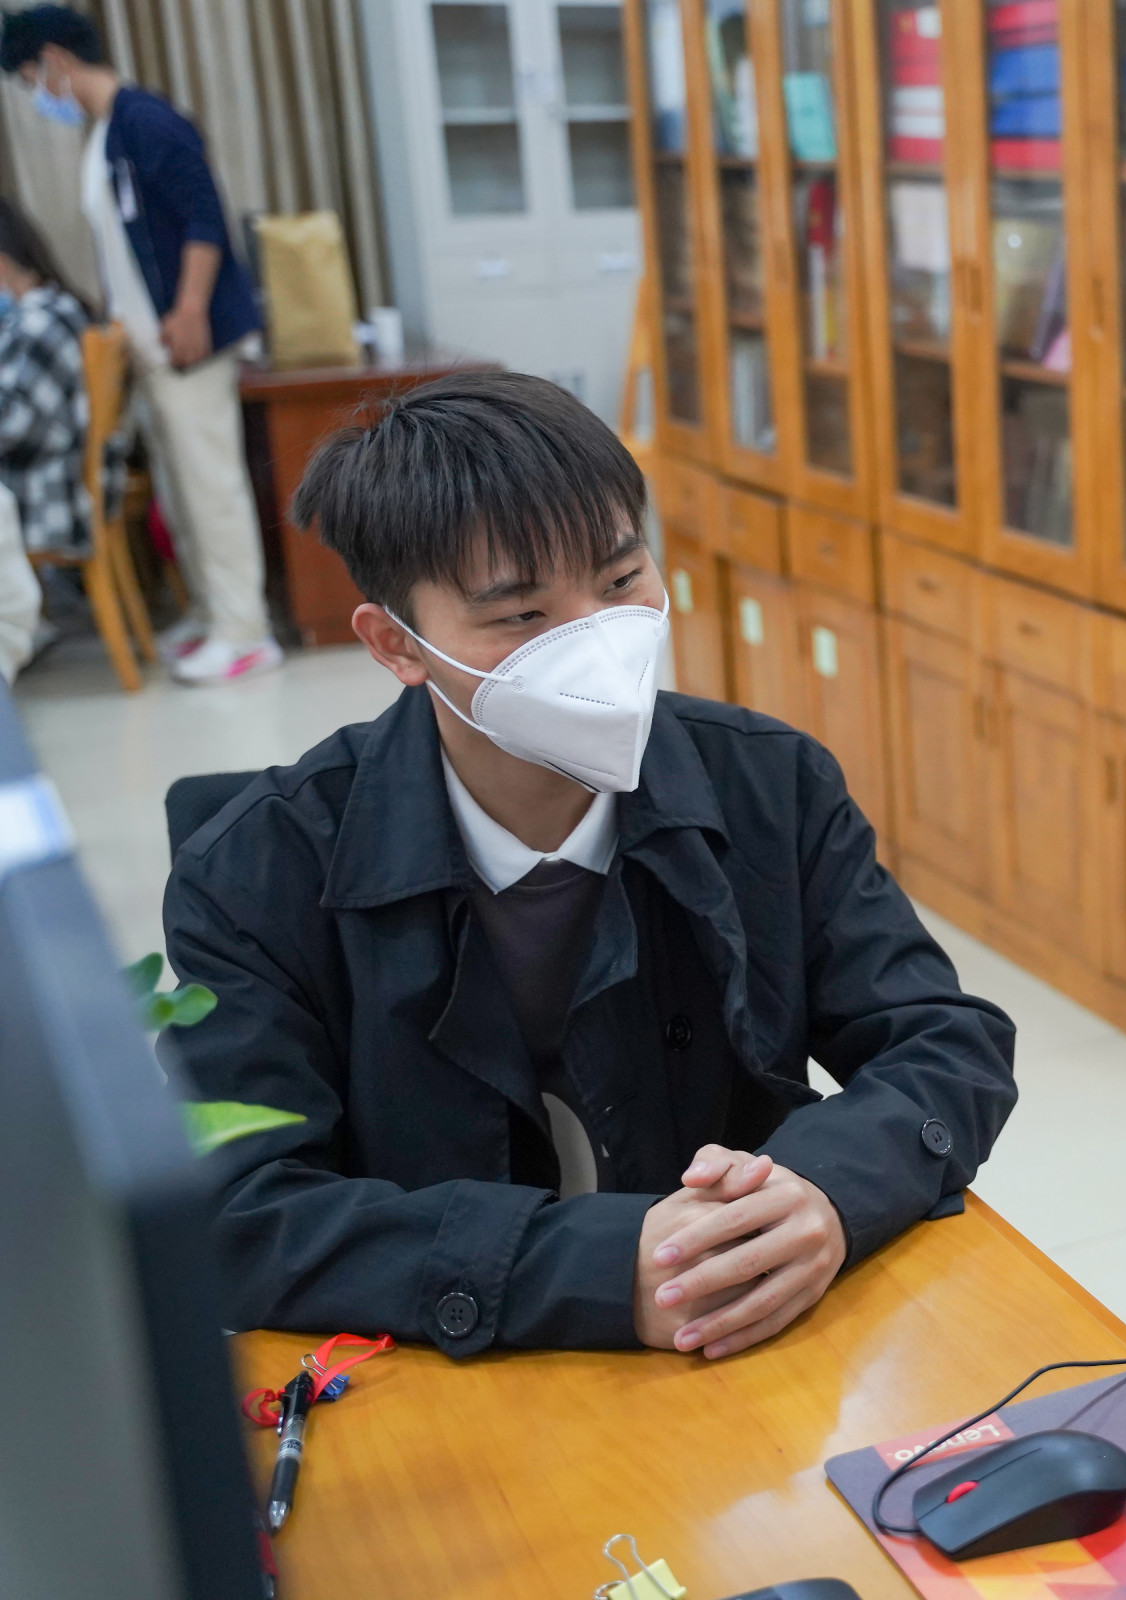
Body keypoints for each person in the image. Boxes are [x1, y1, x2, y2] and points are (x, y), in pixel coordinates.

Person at [164, 371, 1017, 1360]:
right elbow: (240, 1210)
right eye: (522, 617)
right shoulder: (256, 869)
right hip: (443, 1383)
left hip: (741, 1350)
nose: (596, 644)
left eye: (619, 583)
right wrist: (599, 1268)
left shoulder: (768, 782)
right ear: (397, 644)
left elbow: (944, 1041)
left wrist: (824, 1190)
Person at [1, 4, 280, 686]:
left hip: (188, 339)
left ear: (55, 61)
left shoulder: (146, 120)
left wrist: (188, 308)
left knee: (211, 487)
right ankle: (213, 613)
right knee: (181, 494)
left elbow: (203, 217)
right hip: (153, 347)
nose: (36, 94)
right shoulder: (107, 132)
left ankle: (246, 634)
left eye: (31, 78)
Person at [0, 195, 89, 683]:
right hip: (48, 476)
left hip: (47, 491)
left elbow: (14, 425)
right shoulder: (46, 311)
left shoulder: (40, 321)